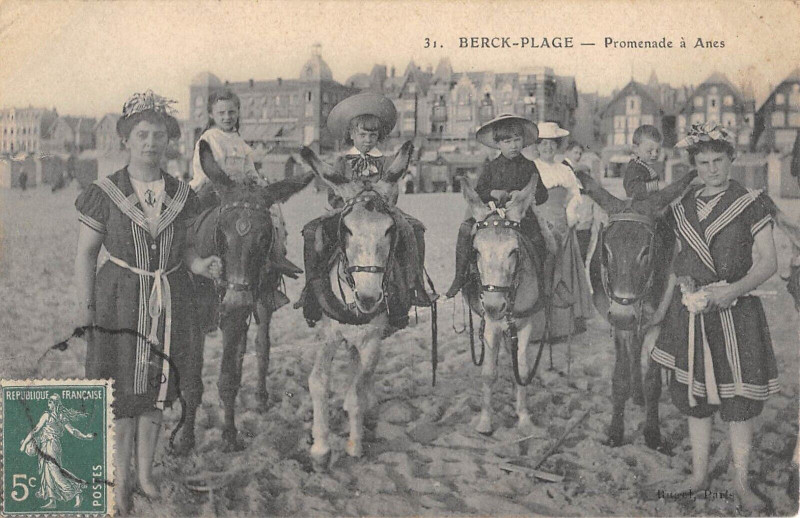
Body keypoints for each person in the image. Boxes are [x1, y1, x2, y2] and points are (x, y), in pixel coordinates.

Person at [74, 90, 221, 514]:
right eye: (142, 134)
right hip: (119, 300)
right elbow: (85, 254)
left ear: (169, 142)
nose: (151, 143)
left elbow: (185, 253)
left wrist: (201, 264)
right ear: (127, 139)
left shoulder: (181, 194)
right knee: (122, 393)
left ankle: (145, 475)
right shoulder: (106, 191)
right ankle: (120, 482)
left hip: (170, 303)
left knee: (156, 390)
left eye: (159, 135)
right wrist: (85, 309)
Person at [649, 122, 779, 512]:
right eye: (703, 162)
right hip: (692, 315)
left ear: (731, 160)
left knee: (738, 398)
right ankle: (699, 475)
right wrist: (685, 280)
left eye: (718, 161)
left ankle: (740, 483)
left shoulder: (751, 201)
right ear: (693, 164)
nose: (711, 169)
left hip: (737, 313)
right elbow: (673, 258)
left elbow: (769, 262)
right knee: (697, 396)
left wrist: (731, 290)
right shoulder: (681, 207)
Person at [296, 92, 432, 327]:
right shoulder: (341, 161)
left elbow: (393, 191)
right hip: (348, 213)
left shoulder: (387, 161)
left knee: (414, 228)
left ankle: (413, 285)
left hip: (381, 214)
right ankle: (312, 291)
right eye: (362, 134)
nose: (368, 140)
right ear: (351, 134)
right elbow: (332, 193)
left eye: (373, 135)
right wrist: (347, 201)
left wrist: (383, 200)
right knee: (312, 231)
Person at [190, 89, 291, 310]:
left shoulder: (239, 141)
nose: (227, 117)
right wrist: (227, 183)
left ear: (238, 113)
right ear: (212, 115)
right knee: (188, 220)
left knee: (273, 214)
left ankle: (275, 262)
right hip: (212, 187)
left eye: (232, 112)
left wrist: (259, 184)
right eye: (222, 113)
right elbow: (209, 169)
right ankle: (184, 266)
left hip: (239, 191)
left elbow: (249, 169)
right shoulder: (208, 139)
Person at [445, 113, 549, 299]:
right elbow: (480, 191)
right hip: (492, 215)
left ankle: (543, 283)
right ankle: (460, 277)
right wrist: (493, 193)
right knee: (465, 230)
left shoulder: (529, 166)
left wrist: (524, 195)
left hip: (521, 217)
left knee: (541, 241)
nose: (513, 145)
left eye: (517, 140)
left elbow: (542, 194)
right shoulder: (491, 167)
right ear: (498, 144)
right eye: (507, 141)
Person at [533, 122, 593, 338]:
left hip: (563, 225)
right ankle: (539, 327)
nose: (548, 148)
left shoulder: (564, 170)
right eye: (543, 144)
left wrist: (570, 214)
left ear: (557, 147)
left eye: (552, 144)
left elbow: (575, 195)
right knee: (541, 272)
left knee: (564, 273)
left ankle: (563, 326)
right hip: (539, 225)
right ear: (537, 146)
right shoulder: (532, 168)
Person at [20, 394, 94, 509]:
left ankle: (76, 490)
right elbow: (36, 429)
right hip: (45, 445)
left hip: (53, 445)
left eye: (51, 402)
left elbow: (73, 431)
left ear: (56, 403)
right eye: (48, 402)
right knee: (47, 471)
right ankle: (52, 500)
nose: (49, 404)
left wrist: (84, 436)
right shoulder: (47, 415)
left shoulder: (60, 416)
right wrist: (25, 443)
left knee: (55, 471)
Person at [561, 141, 595, 263]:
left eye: (580, 153)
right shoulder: (565, 168)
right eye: (575, 153)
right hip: (573, 214)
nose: (578, 156)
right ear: (567, 152)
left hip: (582, 214)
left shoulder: (576, 169)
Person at [623, 124, 664, 200]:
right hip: (639, 207)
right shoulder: (634, 167)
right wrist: (656, 186)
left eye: (658, 150)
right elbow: (631, 189)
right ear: (635, 149)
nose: (655, 154)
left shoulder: (644, 164)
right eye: (649, 151)